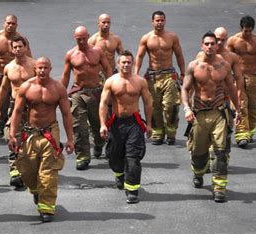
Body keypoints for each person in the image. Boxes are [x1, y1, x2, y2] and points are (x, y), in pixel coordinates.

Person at [8, 57, 74, 222]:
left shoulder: (58, 88)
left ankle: (47, 208)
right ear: (35, 69)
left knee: (48, 172)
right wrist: (12, 135)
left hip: (50, 132)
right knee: (26, 169)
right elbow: (16, 112)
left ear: (50, 69)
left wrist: (70, 139)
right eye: (40, 68)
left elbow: (66, 114)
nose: (42, 70)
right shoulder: (26, 87)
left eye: (46, 68)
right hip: (30, 132)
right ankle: (37, 191)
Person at [181, 31, 241, 202]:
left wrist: (238, 110)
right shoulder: (194, 66)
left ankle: (219, 188)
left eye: (212, 43)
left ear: (217, 45)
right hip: (199, 114)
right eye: (206, 44)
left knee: (221, 151)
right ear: (202, 46)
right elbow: (185, 89)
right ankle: (198, 172)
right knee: (198, 154)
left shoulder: (224, 66)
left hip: (219, 112)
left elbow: (231, 88)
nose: (209, 46)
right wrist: (186, 108)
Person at [99, 50, 152, 204]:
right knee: (114, 156)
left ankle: (132, 190)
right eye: (123, 62)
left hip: (134, 123)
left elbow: (148, 102)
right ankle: (119, 173)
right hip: (116, 123)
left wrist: (149, 124)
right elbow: (103, 103)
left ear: (132, 63)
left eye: (129, 62)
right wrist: (103, 124)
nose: (126, 65)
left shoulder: (140, 81)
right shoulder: (111, 81)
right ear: (118, 63)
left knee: (133, 157)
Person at [61, 26, 112, 170]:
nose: (82, 41)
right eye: (79, 39)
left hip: (96, 92)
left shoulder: (97, 51)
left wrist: (112, 87)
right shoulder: (71, 54)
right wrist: (61, 95)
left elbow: (108, 69)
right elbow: (65, 76)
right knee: (79, 127)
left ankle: (99, 143)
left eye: (84, 38)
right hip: (78, 93)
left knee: (98, 124)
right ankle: (82, 156)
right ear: (75, 37)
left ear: (88, 36)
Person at [196, 27, 244, 170]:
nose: (221, 42)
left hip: (225, 100)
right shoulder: (200, 57)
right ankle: (209, 158)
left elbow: (238, 80)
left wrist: (238, 103)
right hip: (206, 104)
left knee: (226, 132)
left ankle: (222, 158)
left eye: (224, 39)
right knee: (205, 133)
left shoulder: (231, 57)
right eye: (218, 39)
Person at [135, 10, 185, 146]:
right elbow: (139, 56)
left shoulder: (172, 37)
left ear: (165, 21)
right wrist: (135, 74)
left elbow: (179, 55)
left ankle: (171, 133)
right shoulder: (146, 38)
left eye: (162, 20)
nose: (160, 23)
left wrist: (183, 73)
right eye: (157, 20)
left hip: (169, 75)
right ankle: (157, 133)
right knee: (153, 106)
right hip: (152, 76)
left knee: (171, 106)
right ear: (152, 22)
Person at [0, 14, 32, 138]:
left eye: (13, 23)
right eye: (8, 23)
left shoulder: (21, 40)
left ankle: (13, 127)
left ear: (16, 25)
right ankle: (3, 125)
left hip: (16, 76)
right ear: (4, 23)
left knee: (18, 104)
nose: (10, 25)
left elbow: (29, 59)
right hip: (0, 75)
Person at [0, 35, 36, 191]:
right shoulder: (9, 67)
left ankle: (29, 167)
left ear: (25, 47)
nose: (18, 49)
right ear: (11, 49)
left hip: (31, 106)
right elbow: (4, 88)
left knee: (32, 137)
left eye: (20, 46)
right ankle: (15, 171)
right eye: (15, 47)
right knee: (11, 136)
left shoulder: (34, 65)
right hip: (14, 105)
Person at [227, 15, 256, 148]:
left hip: (253, 77)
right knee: (240, 104)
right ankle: (241, 135)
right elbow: (227, 60)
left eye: (250, 31)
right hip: (238, 77)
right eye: (246, 31)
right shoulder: (233, 40)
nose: (248, 33)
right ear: (241, 28)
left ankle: (249, 132)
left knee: (254, 106)